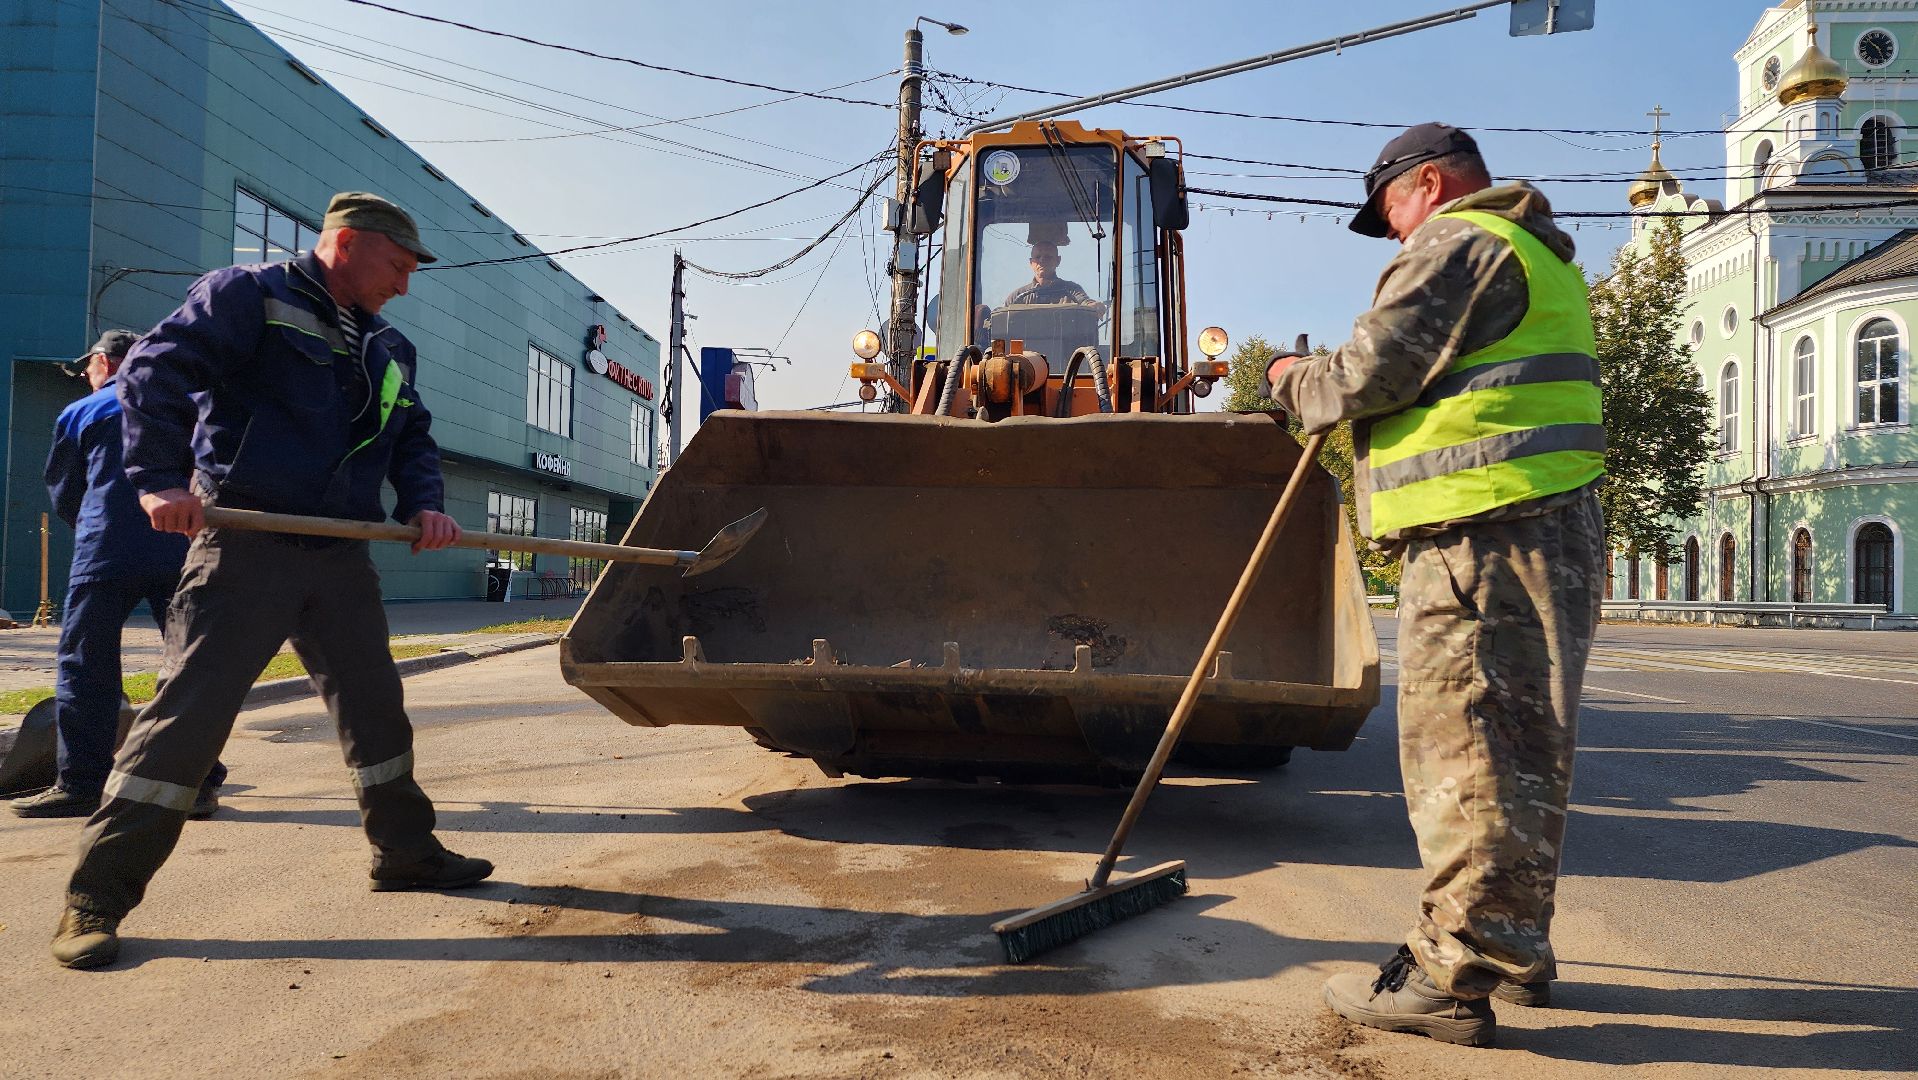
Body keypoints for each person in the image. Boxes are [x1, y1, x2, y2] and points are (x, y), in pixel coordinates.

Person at [52, 192, 492, 970]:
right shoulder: (249, 296)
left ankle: (406, 853)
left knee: (376, 710)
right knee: (186, 721)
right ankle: (96, 895)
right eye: (398, 265)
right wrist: (157, 479)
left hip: (339, 551)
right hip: (246, 541)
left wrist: (425, 505)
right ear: (349, 244)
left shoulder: (389, 345)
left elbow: (412, 435)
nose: (405, 284)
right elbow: (154, 371)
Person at [1266, 124, 1605, 1048]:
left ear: (1427, 183)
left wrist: (1290, 379)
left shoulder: (1459, 241)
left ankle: (1450, 979)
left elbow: (1368, 375)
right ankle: (1513, 949)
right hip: (1547, 530)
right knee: (1524, 752)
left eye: (1389, 214)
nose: (1393, 236)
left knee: (1465, 756)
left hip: (1479, 539)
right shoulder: (1541, 255)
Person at [12, 332, 225, 820]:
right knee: (189, 666)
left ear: (103, 363)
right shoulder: (189, 406)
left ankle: (82, 785)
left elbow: (66, 491)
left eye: (87, 369)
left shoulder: (81, 412)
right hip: (182, 549)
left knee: (86, 666)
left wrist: (94, 526)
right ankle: (196, 784)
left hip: (104, 552)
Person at [1001, 241, 1105, 313]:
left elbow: (1085, 303)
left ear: (1058, 260)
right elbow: (1001, 319)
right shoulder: (1017, 297)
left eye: (1048, 257)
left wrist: (1094, 306)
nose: (1042, 260)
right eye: (1038, 257)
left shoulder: (1072, 290)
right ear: (1031, 262)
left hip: (1067, 345)